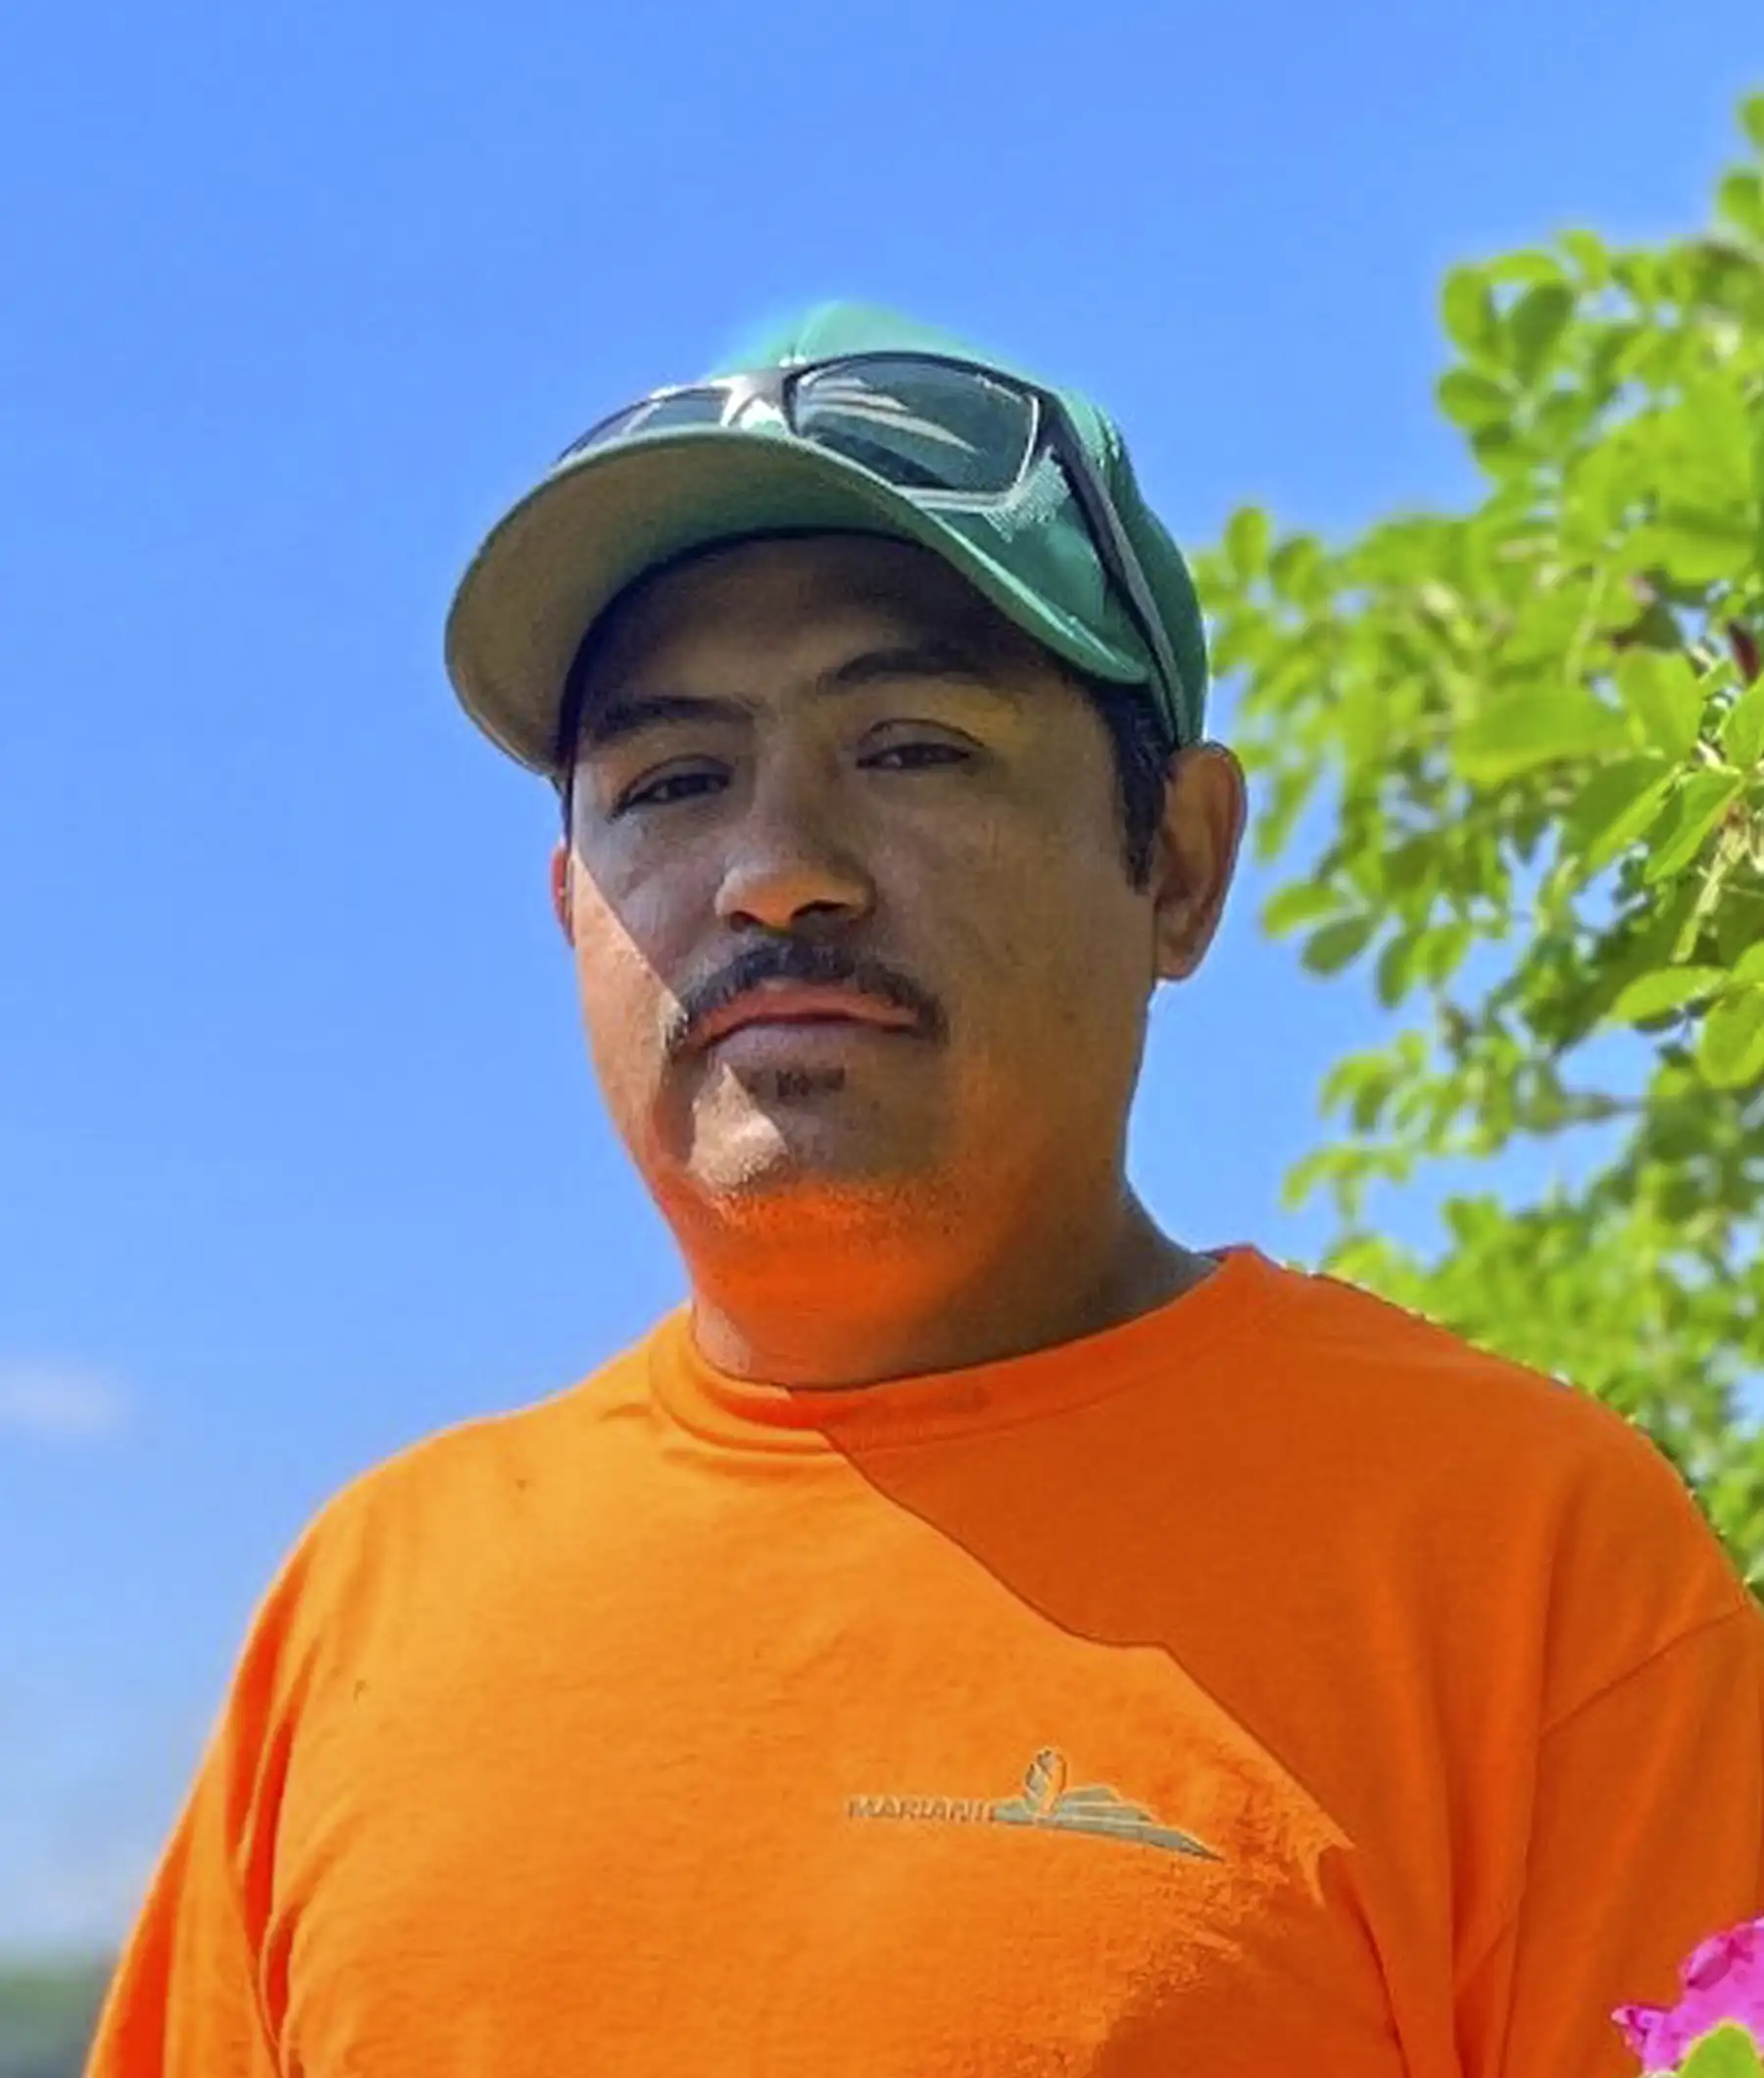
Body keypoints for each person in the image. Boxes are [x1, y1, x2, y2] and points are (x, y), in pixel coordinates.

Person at [83, 303, 1764, 2078]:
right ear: (572, 911)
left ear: (1179, 863)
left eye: (909, 748)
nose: (777, 873)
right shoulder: (365, 1614)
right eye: (670, 782)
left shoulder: (1526, 1572)